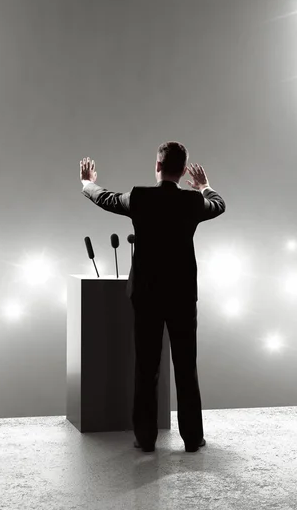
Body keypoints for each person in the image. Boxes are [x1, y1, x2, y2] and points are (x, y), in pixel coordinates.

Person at [79, 141, 226, 453]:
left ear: (158, 167)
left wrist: (87, 182)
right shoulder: (192, 202)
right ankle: (191, 438)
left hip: (146, 295)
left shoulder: (141, 197)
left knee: (146, 368)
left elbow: (105, 198)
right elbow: (219, 205)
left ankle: (145, 439)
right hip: (183, 296)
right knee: (186, 367)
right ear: (184, 170)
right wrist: (205, 187)